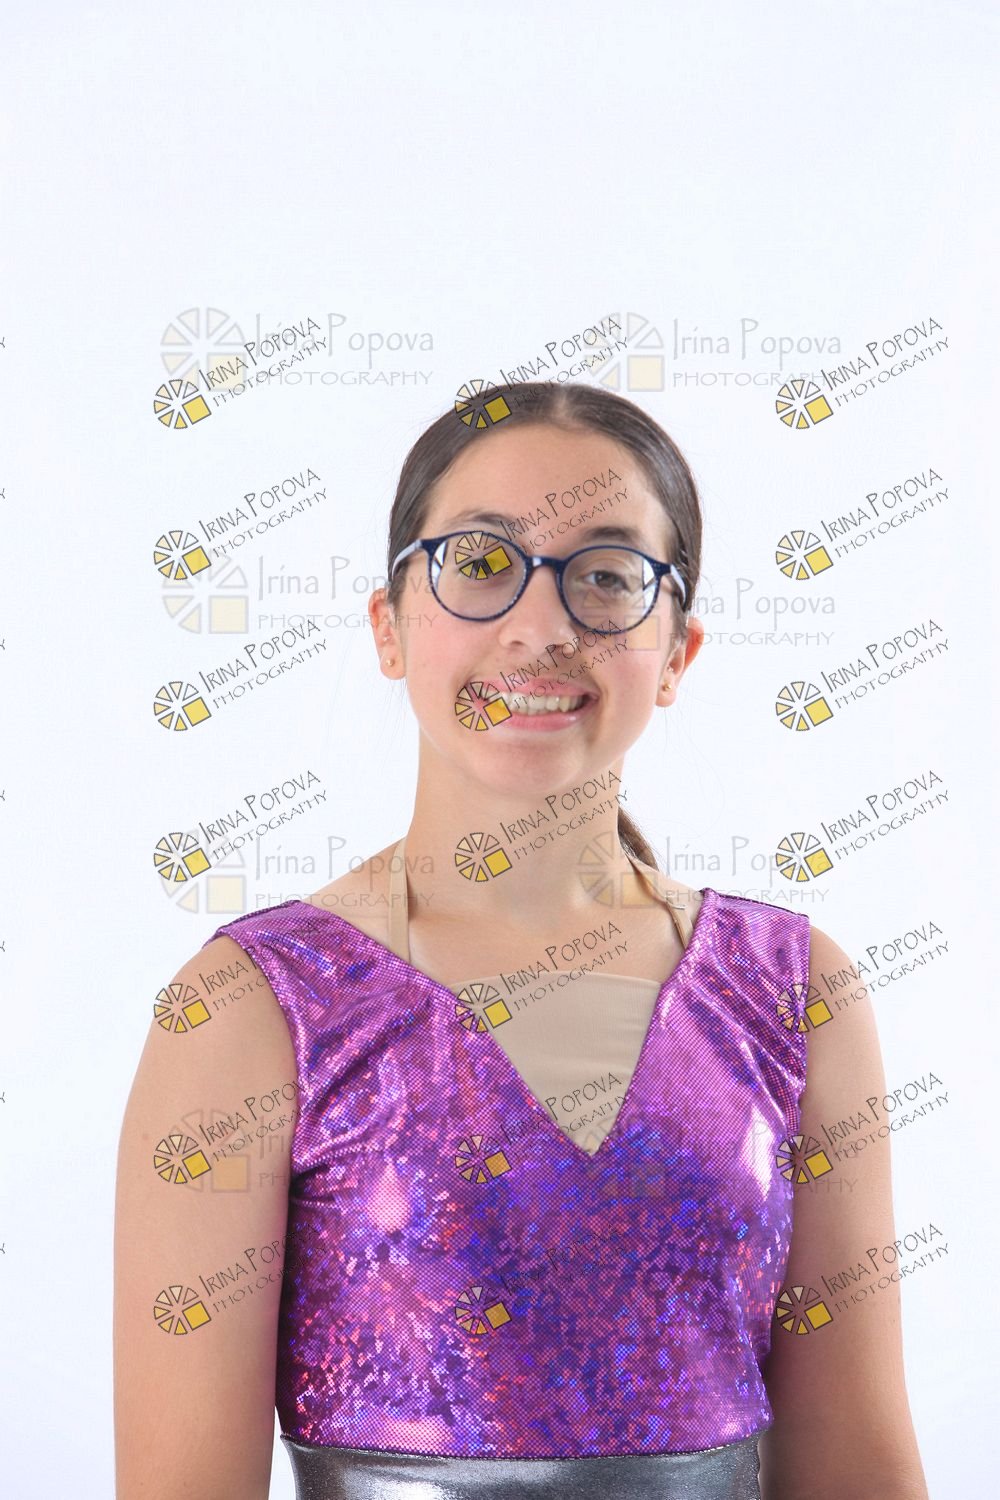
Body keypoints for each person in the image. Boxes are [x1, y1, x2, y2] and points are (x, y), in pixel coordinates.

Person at [114, 381, 929, 1499]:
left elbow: (859, 1464)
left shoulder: (792, 988)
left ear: (677, 652)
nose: (540, 629)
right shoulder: (254, 1005)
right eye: (481, 562)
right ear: (389, 626)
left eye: (606, 576)